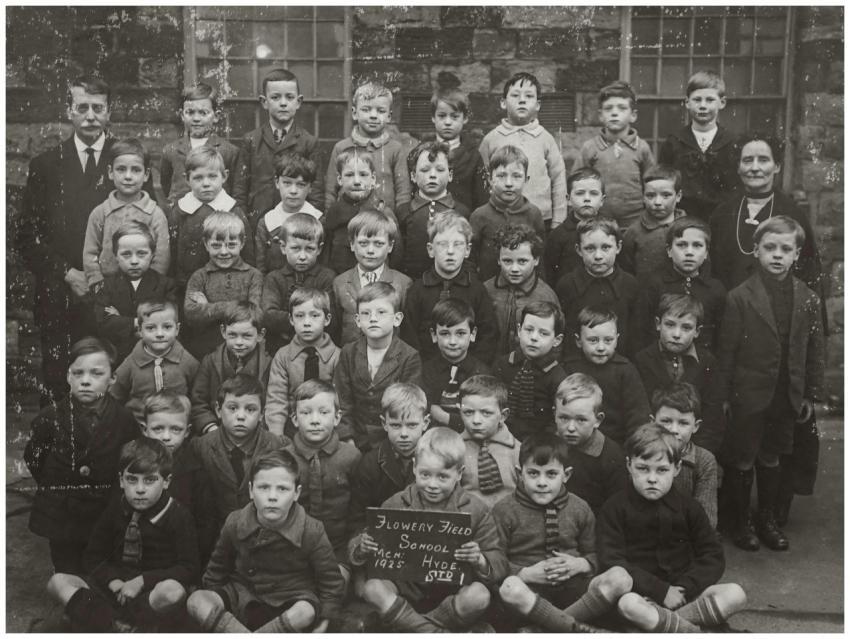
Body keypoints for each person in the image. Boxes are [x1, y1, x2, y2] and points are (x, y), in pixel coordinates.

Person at [16, 74, 155, 401]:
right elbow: (26, 235)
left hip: (114, 294)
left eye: (98, 108)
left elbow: (147, 226)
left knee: (116, 382)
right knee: (60, 382)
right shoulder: (46, 165)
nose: (91, 116)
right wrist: (67, 273)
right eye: (82, 107)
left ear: (108, 112)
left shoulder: (126, 162)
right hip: (61, 292)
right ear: (69, 111)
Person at [717, 216, 824, 552]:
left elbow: (815, 349)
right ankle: (742, 523)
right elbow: (726, 351)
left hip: (785, 392)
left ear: (796, 255)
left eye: (785, 249)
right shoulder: (740, 297)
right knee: (744, 456)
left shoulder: (807, 297)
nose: (777, 255)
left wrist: (810, 393)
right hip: (748, 395)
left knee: (772, 455)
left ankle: (767, 518)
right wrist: (724, 396)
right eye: (770, 248)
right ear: (756, 250)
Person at [352, 427, 508, 632]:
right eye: (425, 474)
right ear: (415, 467)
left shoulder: (476, 510)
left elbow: (498, 559)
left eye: (442, 477)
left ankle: (410, 628)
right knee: (372, 588)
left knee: (480, 595)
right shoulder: (396, 503)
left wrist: (479, 559)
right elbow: (364, 541)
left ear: (459, 474)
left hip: (451, 594)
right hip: (404, 590)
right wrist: (362, 547)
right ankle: (434, 633)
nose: (432, 484)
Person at [598, 424, 747, 633]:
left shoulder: (689, 508)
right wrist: (660, 591)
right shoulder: (615, 508)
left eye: (662, 470)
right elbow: (611, 560)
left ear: (676, 468)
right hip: (642, 596)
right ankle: (690, 631)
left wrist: (684, 589)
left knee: (735, 594)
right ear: (629, 465)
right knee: (628, 605)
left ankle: (667, 624)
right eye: (642, 468)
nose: (652, 478)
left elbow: (712, 555)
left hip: (684, 597)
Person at [46, 438, 199, 632]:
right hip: (113, 590)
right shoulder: (116, 509)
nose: (140, 489)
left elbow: (189, 568)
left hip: (150, 594)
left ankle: (111, 623)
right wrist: (113, 582)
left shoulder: (178, 516)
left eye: (150, 480)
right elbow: (93, 556)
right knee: (57, 582)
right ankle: (115, 627)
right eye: (132, 479)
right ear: (121, 480)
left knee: (173, 592)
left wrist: (142, 581)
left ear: (166, 481)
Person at [186, 449, 345, 633]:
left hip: (290, 598)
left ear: (296, 493)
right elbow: (216, 571)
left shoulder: (311, 530)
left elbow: (331, 584)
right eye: (263, 487)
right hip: (242, 594)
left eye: (282, 489)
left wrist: (324, 623)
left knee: (306, 611)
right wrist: (217, 608)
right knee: (197, 601)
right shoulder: (236, 522)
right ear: (251, 491)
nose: (272, 496)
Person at [494, 434, 632, 632]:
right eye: (533, 473)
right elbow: (494, 561)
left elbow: (596, 553)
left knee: (621, 578)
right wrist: (525, 573)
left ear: (566, 475)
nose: (542, 482)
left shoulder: (580, 508)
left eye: (551, 474)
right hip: (529, 593)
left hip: (575, 592)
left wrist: (580, 564)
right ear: (519, 473)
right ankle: (574, 628)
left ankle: (546, 628)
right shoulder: (504, 510)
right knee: (510, 587)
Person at [24, 337, 139, 574]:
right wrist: (57, 485)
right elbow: (35, 458)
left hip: (103, 507)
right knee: (66, 566)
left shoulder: (124, 420)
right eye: (78, 373)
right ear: (68, 376)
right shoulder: (50, 417)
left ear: (113, 379)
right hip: (62, 512)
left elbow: (129, 461)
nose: (85, 381)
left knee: (100, 565)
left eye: (96, 374)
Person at [709, 133, 823, 295]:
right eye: (748, 161)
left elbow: (809, 274)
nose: (755, 168)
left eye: (763, 160)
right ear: (738, 167)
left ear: (777, 166)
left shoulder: (793, 213)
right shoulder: (722, 213)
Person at [284, 380, 362, 585]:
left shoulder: (351, 457)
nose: (315, 420)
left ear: (337, 418)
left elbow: (358, 511)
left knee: (336, 586)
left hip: (337, 547)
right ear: (294, 418)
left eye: (323, 412)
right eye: (306, 413)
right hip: (293, 547)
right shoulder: (284, 459)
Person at [400, 211, 499, 364]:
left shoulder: (476, 290)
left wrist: (471, 367)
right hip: (427, 371)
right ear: (430, 249)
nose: (450, 251)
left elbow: (488, 335)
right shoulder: (418, 290)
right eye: (443, 244)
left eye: (458, 245)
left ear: (467, 250)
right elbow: (409, 337)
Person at [334, 282, 423, 452]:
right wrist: (347, 439)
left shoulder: (409, 356)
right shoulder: (348, 353)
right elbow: (342, 401)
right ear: (358, 321)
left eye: (381, 312)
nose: (373, 319)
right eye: (366, 314)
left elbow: (409, 407)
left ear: (397, 319)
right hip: (355, 440)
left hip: (393, 441)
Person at [192, 373, 288, 527]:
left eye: (250, 409)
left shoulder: (277, 446)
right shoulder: (200, 447)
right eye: (233, 408)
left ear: (262, 414)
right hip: (215, 533)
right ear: (218, 409)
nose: (241, 416)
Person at [633, 294, 724, 454]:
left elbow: (712, 418)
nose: (676, 334)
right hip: (652, 448)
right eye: (670, 325)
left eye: (686, 328)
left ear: (697, 331)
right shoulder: (643, 360)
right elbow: (639, 413)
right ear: (657, 324)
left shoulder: (707, 362)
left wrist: (697, 455)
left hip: (693, 449)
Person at [234, 67, 323, 227]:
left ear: (298, 102)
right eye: (275, 97)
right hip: (257, 220)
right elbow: (240, 189)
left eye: (289, 97)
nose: (283, 103)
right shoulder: (251, 140)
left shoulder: (308, 142)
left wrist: (310, 225)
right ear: (264, 102)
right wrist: (243, 223)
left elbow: (316, 192)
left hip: (296, 221)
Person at [479, 72, 567, 230]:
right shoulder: (491, 139)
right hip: (500, 217)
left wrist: (558, 220)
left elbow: (558, 179)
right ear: (503, 103)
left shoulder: (545, 139)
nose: (522, 100)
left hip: (540, 219)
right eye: (515, 95)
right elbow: (482, 180)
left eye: (528, 96)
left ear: (538, 105)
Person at [348, 383, 429, 548]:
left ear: (425, 423)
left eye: (412, 425)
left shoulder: (436, 461)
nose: (404, 434)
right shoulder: (370, 464)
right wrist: (361, 541)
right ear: (384, 423)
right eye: (396, 425)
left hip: (426, 547)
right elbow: (357, 518)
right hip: (384, 549)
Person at [83, 138, 170, 289]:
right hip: (108, 286)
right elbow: (90, 252)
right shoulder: (100, 213)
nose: (128, 176)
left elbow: (162, 256)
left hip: (145, 287)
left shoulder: (155, 214)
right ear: (110, 172)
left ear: (146, 174)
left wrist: (151, 284)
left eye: (136, 170)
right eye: (121, 169)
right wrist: (97, 282)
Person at [142, 391, 217, 565]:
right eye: (158, 429)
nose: (166, 437)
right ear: (145, 430)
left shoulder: (196, 471)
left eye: (175, 429)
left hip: (182, 558)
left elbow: (206, 525)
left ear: (187, 432)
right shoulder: (134, 463)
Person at [631, 216, 726, 352]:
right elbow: (641, 333)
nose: (689, 252)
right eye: (681, 245)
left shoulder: (715, 289)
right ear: (669, 250)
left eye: (697, 246)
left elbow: (720, 338)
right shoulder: (655, 284)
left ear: (706, 252)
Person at [561, 306, 649, 445]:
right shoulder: (570, 367)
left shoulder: (625, 370)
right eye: (593, 340)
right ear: (578, 341)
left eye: (608, 340)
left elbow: (637, 417)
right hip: (574, 438)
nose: (601, 347)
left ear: (617, 339)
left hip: (615, 442)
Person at [170, 146, 255, 289]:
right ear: (187, 179)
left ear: (224, 176)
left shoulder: (234, 211)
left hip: (228, 285)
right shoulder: (180, 212)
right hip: (187, 285)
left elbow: (248, 254)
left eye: (212, 176)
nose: (206, 183)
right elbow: (172, 253)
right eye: (198, 178)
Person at [658, 70, 737, 223]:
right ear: (687, 102)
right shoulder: (674, 141)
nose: (702, 106)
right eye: (697, 100)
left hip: (722, 218)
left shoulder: (731, 142)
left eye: (709, 100)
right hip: (682, 217)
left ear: (722, 103)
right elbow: (664, 181)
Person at [92, 220, 177, 363]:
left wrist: (122, 319)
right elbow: (103, 323)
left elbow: (168, 322)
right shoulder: (106, 286)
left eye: (141, 253)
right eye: (126, 254)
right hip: (118, 357)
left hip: (156, 357)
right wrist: (139, 322)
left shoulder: (166, 285)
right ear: (116, 255)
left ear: (152, 254)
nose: (134, 261)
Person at [183, 211, 264, 358]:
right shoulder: (200, 276)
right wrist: (237, 305)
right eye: (216, 245)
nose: (224, 252)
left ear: (242, 243)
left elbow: (253, 313)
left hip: (244, 346)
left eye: (231, 245)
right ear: (206, 244)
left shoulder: (253, 275)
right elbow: (191, 314)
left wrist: (207, 307)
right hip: (207, 348)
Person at [555, 217, 639, 356]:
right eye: (590, 248)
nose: (598, 256)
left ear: (618, 247)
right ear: (579, 250)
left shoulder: (630, 285)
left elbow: (636, 336)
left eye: (606, 247)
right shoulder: (567, 285)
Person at [578, 80, 655, 229]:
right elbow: (577, 183)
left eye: (621, 108)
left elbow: (651, 184)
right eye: (608, 108)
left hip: (635, 220)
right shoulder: (590, 148)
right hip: (598, 220)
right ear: (600, 115)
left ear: (633, 115)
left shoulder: (641, 148)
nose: (614, 112)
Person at [265, 289, 341, 438]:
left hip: (328, 431)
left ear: (327, 319)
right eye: (299, 316)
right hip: (290, 431)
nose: (306, 323)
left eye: (314, 316)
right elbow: (276, 399)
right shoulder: (283, 356)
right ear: (291, 319)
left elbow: (340, 402)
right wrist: (277, 437)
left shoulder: (338, 357)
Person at [325, 81, 410, 212]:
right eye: (366, 109)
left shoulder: (395, 149)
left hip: (384, 221)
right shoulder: (341, 147)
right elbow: (331, 191)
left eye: (381, 111)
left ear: (389, 116)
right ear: (354, 113)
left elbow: (403, 192)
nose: (373, 115)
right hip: (347, 220)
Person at [110, 299, 199, 424]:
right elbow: (114, 396)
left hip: (176, 426)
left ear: (177, 329)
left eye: (167, 327)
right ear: (140, 330)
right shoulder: (131, 363)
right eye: (151, 328)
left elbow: (198, 397)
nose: (160, 334)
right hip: (138, 427)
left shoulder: (188, 361)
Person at [189, 302, 271, 436]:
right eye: (232, 335)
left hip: (255, 432)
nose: (239, 342)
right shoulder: (210, 362)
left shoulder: (268, 365)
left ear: (260, 335)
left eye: (246, 336)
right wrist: (211, 428)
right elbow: (198, 402)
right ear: (223, 332)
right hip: (216, 430)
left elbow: (271, 406)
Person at [552, 373, 628, 515]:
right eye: (564, 418)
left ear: (598, 420)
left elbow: (615, 509)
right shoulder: (547, 445)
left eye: (581, 420)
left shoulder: (611, 456)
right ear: (554, 414)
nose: (571, 428)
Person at [332, 211, 411, 345]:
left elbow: (407, 332)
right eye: (363, 243)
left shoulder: (402, 283)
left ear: (390, 246)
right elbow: (336, 328)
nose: (370, 250)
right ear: (352, 244)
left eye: (378, 244)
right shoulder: (340, 283)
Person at [160, 82, 243, 209]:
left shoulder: (229, 151)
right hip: (181, 215)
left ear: (216, 116)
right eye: (190, 112)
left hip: (216, 216)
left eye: (203, 113)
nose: (196, 118)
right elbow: (166, 185)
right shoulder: (171, 150)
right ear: (182, 115)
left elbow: (236, 192)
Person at [261, 212, 336, 353]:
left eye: (309, 249)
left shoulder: (326, 277)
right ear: (283, 247)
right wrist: (311, 318)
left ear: (319, 249)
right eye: (295, 248)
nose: (302, 256)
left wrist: (290, 319)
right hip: (280, 349)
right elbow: (268, 316)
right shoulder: (275, 278)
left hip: (318, 350)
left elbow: (330, 319)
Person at [492, 301, 567, 441]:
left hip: (538, 443)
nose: (534, 337)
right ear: (519, 330)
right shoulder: (503, 364)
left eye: (543, 333)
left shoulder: (557, 378)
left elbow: (557, 420)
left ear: (557, 340)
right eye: (529, 330)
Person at [470, 145, 546, 282]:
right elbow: (471, 260)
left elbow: (540, 258)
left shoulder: (533, 214)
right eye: (501, 176)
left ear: (526, 180)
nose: (509, 183)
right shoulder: (479, 216)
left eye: (516, 176)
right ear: (490, 179)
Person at [320, 149, 400, 274]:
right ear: (340, 179)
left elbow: (396, 255)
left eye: (363, 175)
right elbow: (326, 254)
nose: (357, 181)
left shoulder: (383, 212)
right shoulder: (334, 212)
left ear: (373, 179)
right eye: (349, 175)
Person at [398, 140, 470, 278]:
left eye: (440, 170)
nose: (432, 175)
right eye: (425, 170)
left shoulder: (461, 212)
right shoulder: (404, 211)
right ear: (413, 176)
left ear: (450, 175)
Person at [484, 224, 560, 355]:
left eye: (522, 261)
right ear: (498, 260)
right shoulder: (486, 290)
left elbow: (555, 342)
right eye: (507, 261)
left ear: (535, 260)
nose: (514, 269)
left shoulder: (545, 296)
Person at [652, 383, 718, 529]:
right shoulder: (642, 455)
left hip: (689, 537)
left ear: (696, 426)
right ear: (652, 421)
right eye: (666, 421)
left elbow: (706, 519)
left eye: (683, 423)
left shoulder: (704, 461)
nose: (674, 430)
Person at [422, 298, 491, 431]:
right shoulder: (426, 370)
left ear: (473, 334)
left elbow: (482, 416)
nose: (452, 341)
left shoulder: (481, 373)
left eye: (460, 333)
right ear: (434, 335)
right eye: (445, 334)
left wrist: (444, 417)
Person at [255, 153, 324, 274]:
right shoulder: (267, 221)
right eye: (287, 183)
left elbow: (323, 265)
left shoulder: (319, 220)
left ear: (310, 187)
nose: (293, 191)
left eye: (301, 185)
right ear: (277, 182)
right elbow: (260, 264)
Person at [459, 375, 520, 508]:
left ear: (503, 416)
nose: (476, 420)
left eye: (486, 413)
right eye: (468, 412)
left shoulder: (518, 451)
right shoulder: (454, 449)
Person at [619, 165, 686, 283]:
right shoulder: (633, 232)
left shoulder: (690, 229)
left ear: (678, 196)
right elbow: (626, 270)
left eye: (666, 195)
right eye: (650, 195)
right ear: (643, 197)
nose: (657, 202)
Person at [425, 88, 489, 210]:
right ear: (433, 117)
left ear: (465, 118)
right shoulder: (422, 152)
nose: (448, 122)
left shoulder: (473, 155)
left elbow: (481, 196)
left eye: (454, 117)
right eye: (442, 116)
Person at [543, 167, 606, 286]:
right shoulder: (558, 235)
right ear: (568, 199)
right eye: (580, 193)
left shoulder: (610, 231)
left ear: (602, 200)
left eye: (593, 193)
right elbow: (550, 274)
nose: (587, 198)